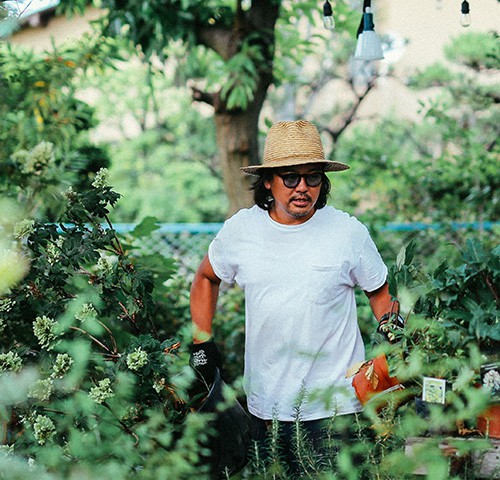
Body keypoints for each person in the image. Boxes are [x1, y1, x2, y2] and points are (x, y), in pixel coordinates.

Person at [189, 119, 403, 473]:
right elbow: (206, 277)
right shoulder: (243, 231)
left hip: (338, 411)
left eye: (312, 177)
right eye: (290, 177)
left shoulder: (347, 232)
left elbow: (379, 290)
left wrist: (391, 335)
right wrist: (201, 342)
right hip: (266, 410)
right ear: (269, 182)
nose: (302, 187)